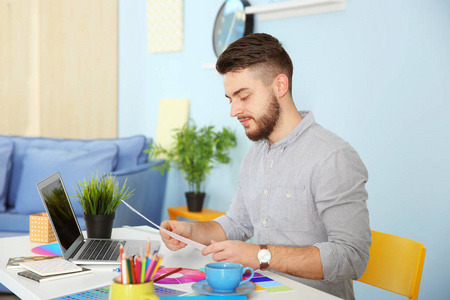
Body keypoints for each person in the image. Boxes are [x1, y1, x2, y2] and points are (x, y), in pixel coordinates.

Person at [159, 33, 371, 300]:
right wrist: (192, 231)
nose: (234, 111)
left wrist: (260, 255)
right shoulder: (256, 154)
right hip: (260, 292)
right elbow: (237, 223)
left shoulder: (333, 157)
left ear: (279, 85)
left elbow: (352, 257)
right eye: (230, 99)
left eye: (243, 96)